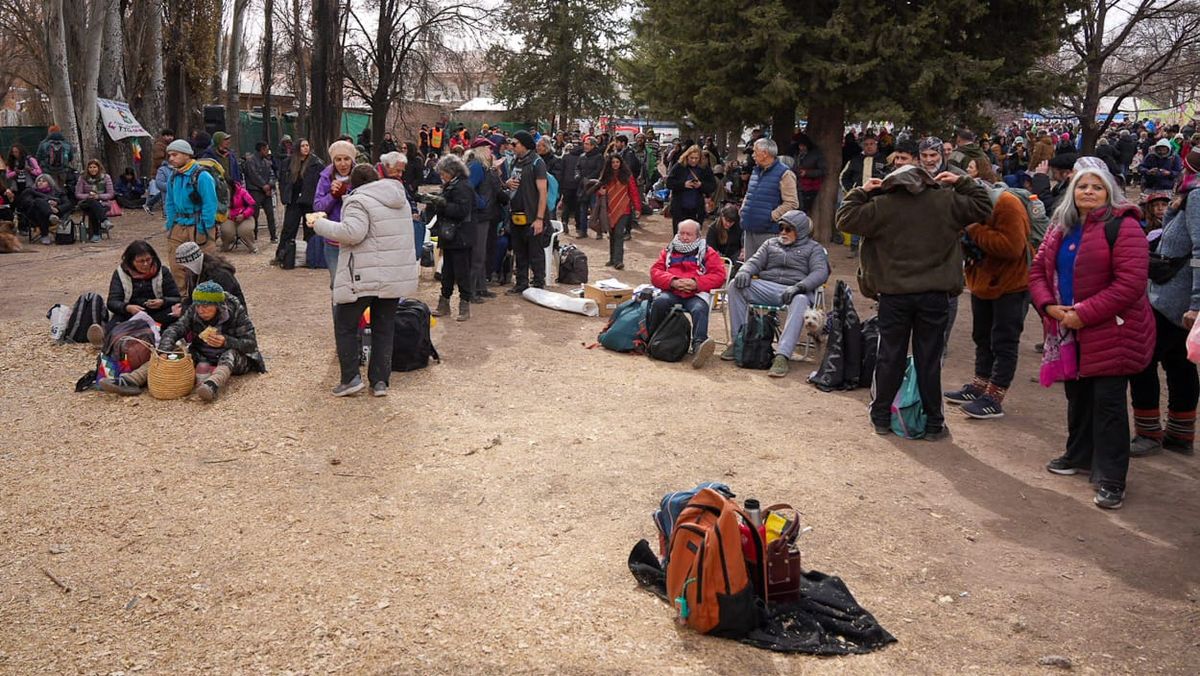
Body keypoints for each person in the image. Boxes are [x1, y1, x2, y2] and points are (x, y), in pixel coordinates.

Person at [837, 164, 993, 440]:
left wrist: (862, 191)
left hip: (893, 295)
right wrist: (962, 181)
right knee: (929, 360)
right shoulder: (946, 202)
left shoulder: (882, 206)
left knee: (890, 357)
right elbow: (983, 206)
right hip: (934, 295)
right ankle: (934, 423)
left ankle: (881, 417)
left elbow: (844, 219)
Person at [1030, 168, 1154, 509]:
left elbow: (1130, 284)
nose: (1088, 191)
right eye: (1081, 186)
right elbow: (1039, 270)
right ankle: (1079, 455)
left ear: (1109, 191)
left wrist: (1083, 313)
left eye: (1096, 186)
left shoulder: (1124, 226)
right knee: (1078, 397)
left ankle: (1111, 478)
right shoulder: (1061, 226)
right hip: (1068, 330)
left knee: (1109, 405)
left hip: (1112, 331)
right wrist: (1049, 306)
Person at [314, 164, 417, 397]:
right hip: (392, 275)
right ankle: (380, 381)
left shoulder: (357, 200)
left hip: (364, 275)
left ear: (355, 183)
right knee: (384, 327)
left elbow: (353, 233)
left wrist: (319, 224)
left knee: (345, 324)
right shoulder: (399, 198)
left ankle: (350, 378)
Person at [1128, 149, 1200, 456]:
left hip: (1173, 299)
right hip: (1175, 295)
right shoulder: (1189, 196)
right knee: (1179, 364)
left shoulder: (1197, 196)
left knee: (1141, 360)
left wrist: (1195, 303)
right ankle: (1180, 435)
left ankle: (1149, 432)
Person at [942, 184, 1032, 419]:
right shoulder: (967, 209)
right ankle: (979, 385)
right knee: (981, 336)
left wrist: (972, 230)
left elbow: (1012, 247)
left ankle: (995, 396)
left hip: (1011, 284)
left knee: (1004, 340)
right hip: (983, 281)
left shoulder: (1006, 204)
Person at [99, 281, 265, 402]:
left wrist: (226, 341)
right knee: (176, 351)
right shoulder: (195, 311)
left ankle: (212, 386)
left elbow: (250, 343)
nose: (201, 310)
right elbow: (175, 329)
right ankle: (131, 380)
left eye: (207, 306)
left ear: (218, 306)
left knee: (230, 354)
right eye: (199, 306)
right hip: (202, 354)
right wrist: (164, 350)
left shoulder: (235, 311)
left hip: (236, 358)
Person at [721, 210, 831, 377]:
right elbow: (754, 261)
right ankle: (739, 342)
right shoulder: (770, 243)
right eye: (781, 228)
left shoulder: (814, 249)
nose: (783, 232)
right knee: (735, 286)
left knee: (801, 300)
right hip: (768, 287)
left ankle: (782, 355)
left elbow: (821, 272)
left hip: (795, 290)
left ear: (800, 231)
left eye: (788, 229)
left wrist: (800, 287)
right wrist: (744, 271)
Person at [648, 219, 727, 368]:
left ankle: (698, 346)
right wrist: (672, 281)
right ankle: (653, 339)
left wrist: (696, 283)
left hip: (696, 293)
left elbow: (719, 276)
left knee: (699, 309)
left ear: (697, 236)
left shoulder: (708, 252)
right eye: (682, 233)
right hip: (673, 290)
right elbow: (655, 272)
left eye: (689, 234)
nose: (684, 237)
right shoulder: (668, 250)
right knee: (659, 302)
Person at [94, 240, 182, 346]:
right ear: (131, 262)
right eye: (140, 261)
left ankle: (140, 335)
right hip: (130, 314)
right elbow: (112, 302)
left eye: (148, 260)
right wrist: (128, 308)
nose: (145, 264)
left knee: (177, 312)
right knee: (116, 325)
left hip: (157, 314)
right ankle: (108, 336)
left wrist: (162, 301)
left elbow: (176, 297)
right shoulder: (121, 274)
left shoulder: (162, 272)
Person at [425, 154, 476, 319]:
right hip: (450, 235)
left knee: (462, 272)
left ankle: (464, 305)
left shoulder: (463, 187)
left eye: (444, 172)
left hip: (461, 236)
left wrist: (442, 203)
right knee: (447, 271)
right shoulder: (450, 185)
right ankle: (444, 303)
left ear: (453, 171)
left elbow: (462, 211)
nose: (442, 176)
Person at [162, 140, 218, 287]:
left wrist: (204, 228)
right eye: (169, 155)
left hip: (199, 226)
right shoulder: (173, 177)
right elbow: (170, 202)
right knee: (177, 267)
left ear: (187, 155)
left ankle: (204, 298)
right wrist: (170, 224)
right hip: (178, 226)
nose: (171, 158)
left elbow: (210, 204)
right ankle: (184, 300)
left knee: (205, 266)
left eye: (175, 154)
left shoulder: (202, 176)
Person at [505, 131, 550, 293]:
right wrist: (507, 183)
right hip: (516, 214)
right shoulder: (515, 162)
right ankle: (521, 283)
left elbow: (543, 192)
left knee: (535, 252)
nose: (512, 146)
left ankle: (538, 284)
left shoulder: (537, 163)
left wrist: (539, 218)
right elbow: (511, 183)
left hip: (533, 215)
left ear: (524, 144)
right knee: (519, 250)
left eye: (515, 144)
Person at [739, 138, 799, 259]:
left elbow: (792, 203)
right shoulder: (756, 171)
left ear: (765, 153)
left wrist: (771, 216)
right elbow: (749, 193)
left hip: (769, 232)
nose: (753, 155)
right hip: (749, 228)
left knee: (766, 268)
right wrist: (743, 208)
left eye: (755, 151)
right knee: (749, 268)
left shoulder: (785, 174)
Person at [312, 140, 358, 281]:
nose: (343, 164)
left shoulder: (360, 176)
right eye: (338, 160)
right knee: (337, 283)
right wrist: (332, 195)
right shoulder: (325, 178)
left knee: (359, 284)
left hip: (357, 238)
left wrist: (349, 191)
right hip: (334, 240)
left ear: (352, 160)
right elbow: (318, 207)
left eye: (346, 159)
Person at [274, 139, 323, 267]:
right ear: (297, 148)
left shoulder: (316, 163)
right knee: (289, 229)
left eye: (307, 145)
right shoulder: (288, 163)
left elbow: (321, 183)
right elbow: (283, 181)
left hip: (309, 200)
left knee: (311, 230)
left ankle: (312, 257)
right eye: (303, 146)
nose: (306, 148)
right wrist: (285, 196)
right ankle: (282, 256)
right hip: (294, 200)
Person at [466, 142, 504, 301]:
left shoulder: (482, 167)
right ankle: (471, 290)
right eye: (489, 148)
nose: (491, 151)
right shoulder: (476, 166)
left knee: (482, 254)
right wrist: (481, 202)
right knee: (477, 254)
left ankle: (481, 287)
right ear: (482, 149)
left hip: (485, 215)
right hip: (478, 216)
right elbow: (468, 187)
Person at [174, 241, 247, 314]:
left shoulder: (220, 275)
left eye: (185, 267)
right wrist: (182, 306)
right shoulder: (195, 273)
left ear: (192, 264)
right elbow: (192, 298)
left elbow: (215, 306)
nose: (184, 270)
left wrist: (184, 311)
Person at [596, 153, 641, 270]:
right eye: (613, 162)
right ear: (609, 164)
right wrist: (600, 192)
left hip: (624, 209)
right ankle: (612, 259)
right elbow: (599, 190)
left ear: (621, 163)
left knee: (619, 234)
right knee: (611, 234)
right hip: (609, 209)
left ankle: (618, 261)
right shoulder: (606, 176)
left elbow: (634, 192)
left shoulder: (627, 176)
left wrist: (637, 208)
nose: (615, 164)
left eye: (617, 162)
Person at [665, 145, 716, 235]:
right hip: (680, 208)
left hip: (696, 209)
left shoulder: (704, 168)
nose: (694, 160)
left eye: (696, 158)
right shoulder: (679, 166)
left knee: (694, 236)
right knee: (679, 236)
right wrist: (683, 184)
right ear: (687, 156)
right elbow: (669, 183)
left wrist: (701, 185)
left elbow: (712, 186)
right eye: (691, 158)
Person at [74, 159, 115, 244]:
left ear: (99, 168)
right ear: (87, 168)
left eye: (95, 167)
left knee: (93, 208)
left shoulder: (106, 177)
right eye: (90, 167)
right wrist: (89, 196)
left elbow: (111, 194)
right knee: (92, 202)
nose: (93, 169)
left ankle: (96, 234)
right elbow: (78, 194)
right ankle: (104, 221)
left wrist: (98, 196)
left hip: (102, 202)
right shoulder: (82, 178)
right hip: (85, 202)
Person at [244, 142, 278, 242]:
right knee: (254, 214)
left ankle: (273, 235)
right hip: (255, 191)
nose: (268, 151)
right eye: (266, 149)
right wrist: (263, 185)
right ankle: (253, 235)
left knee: (270, 214)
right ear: (262, 149)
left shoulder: (267, 162)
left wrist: (269, 185)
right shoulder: (250, 161)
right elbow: (253, 175)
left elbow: (272, 175)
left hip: (265, 191)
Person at [573, 136, 604, 238]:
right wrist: (577, 175)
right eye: (584, 144)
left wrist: (589, 179)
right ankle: (583, 231)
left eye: (587, 144)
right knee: (583, 210)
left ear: (593, 146)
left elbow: (598, 170)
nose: (584, 146)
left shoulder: (599, 157)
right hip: (582, 187)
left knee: (594, 210)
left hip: (593, 187)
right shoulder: (582, 156)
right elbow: (577, 168)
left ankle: (598, 231)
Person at [218, 179, 258, 253]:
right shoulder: (221, 194)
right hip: (229, 217)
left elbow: (252, 205)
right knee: (227, 231)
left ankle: (251, 245)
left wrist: (244, 214)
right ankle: (225, 246)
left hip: (244, 216)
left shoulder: (242, 192)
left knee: (245, 230)